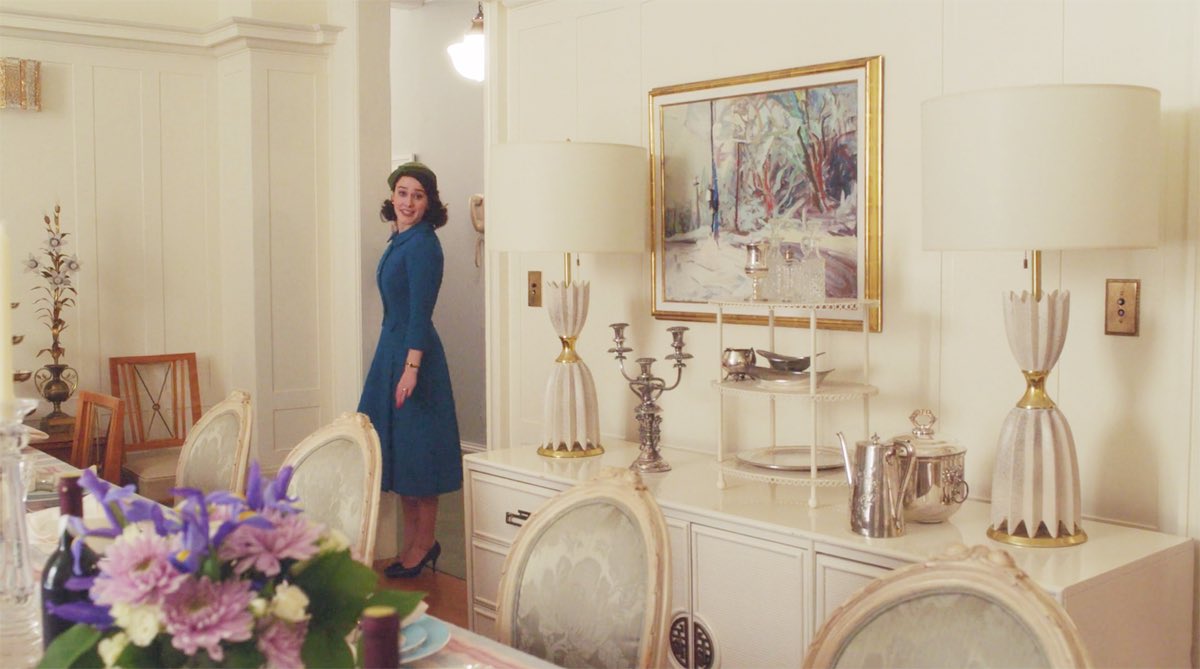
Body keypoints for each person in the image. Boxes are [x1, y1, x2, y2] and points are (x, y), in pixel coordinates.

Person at [358, 161, 462, 579]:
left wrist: (411, 367)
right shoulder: (400, 240)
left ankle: (424, 544)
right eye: (402, 193)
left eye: (417, 196)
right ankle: (411, 545)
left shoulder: (423, 246)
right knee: (399, 453)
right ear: (392, 196)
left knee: (421, 456)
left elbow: (420, 312)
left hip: (413, 356)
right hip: (392, 350)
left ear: (429, 203)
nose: (408, 202)